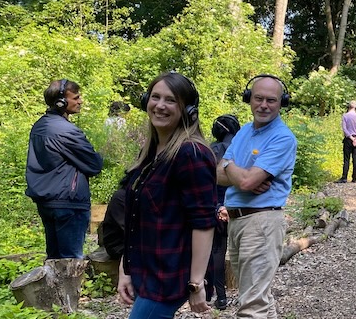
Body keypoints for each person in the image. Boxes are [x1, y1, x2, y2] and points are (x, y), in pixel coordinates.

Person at [117, 72, 217, 317]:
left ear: (188, 110)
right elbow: (135, 221)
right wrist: (125, 270)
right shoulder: (150, 153)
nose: (160, 106)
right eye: (155, 97)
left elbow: (203, 222)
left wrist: (196, 284)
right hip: (145, 271)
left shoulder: (191, 153)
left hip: (167, 278)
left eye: (171, 100)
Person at [217, 74, 297, 318]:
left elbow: (242, 178)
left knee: (251, 307)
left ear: (281, 102)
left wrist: (231, 168)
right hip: (238, 220)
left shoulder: (282, 137)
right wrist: (239, 175)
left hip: (261, 223)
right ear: (248, 99)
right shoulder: (243, 132)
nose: (264, 105)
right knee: (259, 299)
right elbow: (217, 175)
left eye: (271, 100)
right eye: (258, 98)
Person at [26, 79, 103, 260]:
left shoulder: (39, 126)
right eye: (75, 98)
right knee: (71, 263)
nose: (80, 101)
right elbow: (94, 165)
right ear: (61, 102)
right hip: (69, 202)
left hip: (46, 201)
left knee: (53, 260)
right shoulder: (67, 131)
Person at [205, 114, 241, 310]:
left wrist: (218, 206)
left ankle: (218, 296)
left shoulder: (212, 149)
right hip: (241, 208)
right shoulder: (243, 148)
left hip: (216, 208)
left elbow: (205, 182)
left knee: (216, 251)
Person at [336, 100, 356, 183]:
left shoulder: (345, 116)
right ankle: (354, 178)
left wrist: (351, 138)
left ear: (348, 107)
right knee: (355, 159)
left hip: (348, 140)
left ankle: (344, 177)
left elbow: (344, 129)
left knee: (346, 159)